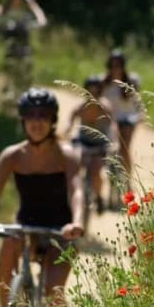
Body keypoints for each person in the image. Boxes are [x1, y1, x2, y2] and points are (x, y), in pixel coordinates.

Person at [0, 87, 84, 307]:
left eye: (43, 115)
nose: (37, 122)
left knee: (53, 291)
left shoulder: (67, 156)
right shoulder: (12, 156)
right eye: (31, 115)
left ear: (52, 120)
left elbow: (76, 191)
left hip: (61, 232)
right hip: (26, 227)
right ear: (23, 120)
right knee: (9, 244)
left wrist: (75, 222)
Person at [65, 74, 118, 214]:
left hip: (100, 144)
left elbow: (113, 125)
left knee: (96, 171)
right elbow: (70, 120)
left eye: (96, 91)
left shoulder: (105, 107)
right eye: (90, 91)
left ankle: (99, 197)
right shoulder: (81, 107)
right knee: (74, 163)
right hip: (83, 142)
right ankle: (72, 195)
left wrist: (115, 142)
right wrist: (67, 131)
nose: (93, 94)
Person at [0, 0, 47, 108]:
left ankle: (23, 104)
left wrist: (36, 11)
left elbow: (41, 18)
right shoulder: (5, 7)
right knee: (10, 77)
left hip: (24, 49)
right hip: (10, 50)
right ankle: (10, 104)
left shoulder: (26, 8)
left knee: (24, 79)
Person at [101, 49, 144, 178]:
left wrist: (140, 115)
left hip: (128, 118)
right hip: (111, 118)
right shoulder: (103, 82)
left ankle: (128, 179)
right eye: (112, 66)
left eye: (118, 66)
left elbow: (138, 101)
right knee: (110, 147)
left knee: (124, 149)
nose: (115, 69)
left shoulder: (132, 81)